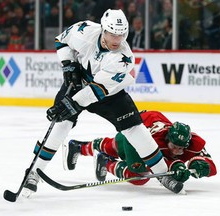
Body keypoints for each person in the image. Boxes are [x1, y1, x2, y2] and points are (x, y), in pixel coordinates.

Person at [22, 9, 184, 197]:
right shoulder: (84, 31)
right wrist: (69, 65)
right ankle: (34, 173)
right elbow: (61, 40)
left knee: (135, 129)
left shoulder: (124, 59)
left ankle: (163, 174)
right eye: (113, 34)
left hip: (109, 94)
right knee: (60, 125)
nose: (117, 39)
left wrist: (70, 104)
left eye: (122, 34)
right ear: (103, 30)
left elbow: (96, 91)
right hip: (79, 83)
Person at [64, 110, 217, 185]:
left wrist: (201, 165)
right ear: (167, 139)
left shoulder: (192, 143)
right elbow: (159, 165)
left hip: (150, 120)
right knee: (124, 156)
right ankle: (80, 148)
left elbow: (211, 165)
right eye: (174, 146)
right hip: (136, 131)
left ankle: (105, 162)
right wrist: (175, 165)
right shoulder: (155, 139)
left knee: (138, 179)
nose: (178, 151)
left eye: (181, 148)